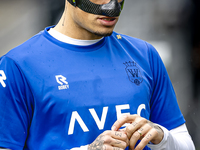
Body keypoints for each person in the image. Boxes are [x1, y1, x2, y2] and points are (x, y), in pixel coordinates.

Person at [0, 0, 195, 149]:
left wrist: (162, 136)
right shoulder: (18, 65)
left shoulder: (144, 55)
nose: (112, 7)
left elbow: (186, 144)